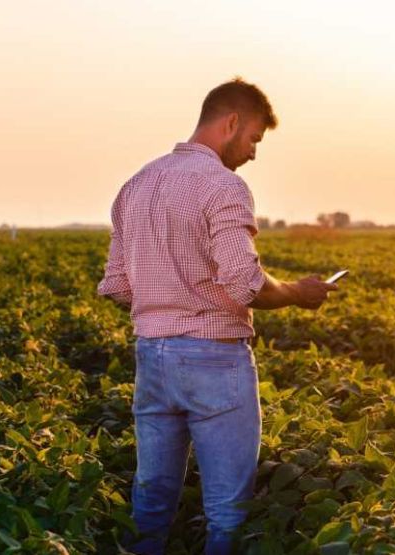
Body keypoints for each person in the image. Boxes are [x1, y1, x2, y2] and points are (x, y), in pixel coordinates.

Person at [96, 77, 337, 555]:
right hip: (214, 361)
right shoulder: (223, 186)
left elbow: (118, 285)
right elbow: (245, 283)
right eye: (253, 139)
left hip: (151, 356)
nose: (252, 153)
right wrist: (297, 292)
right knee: (228, 510)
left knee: (151, 497)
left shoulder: (136, 184)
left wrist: (167, 300)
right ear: (231, 123)